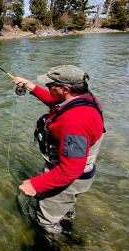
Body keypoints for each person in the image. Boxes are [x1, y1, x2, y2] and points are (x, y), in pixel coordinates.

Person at [13, 65, 105, 235]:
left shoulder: (76, 120)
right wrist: (29, 85)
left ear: (65, 89)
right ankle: (67, 226)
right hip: (78, 174)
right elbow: (54, 101)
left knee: (45, 221)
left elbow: (70, 170)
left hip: (71, 178)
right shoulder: (84, 98)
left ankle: (53, 243)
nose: (47, 87)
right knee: (63, 208)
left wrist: (35, 184)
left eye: (50, 85)